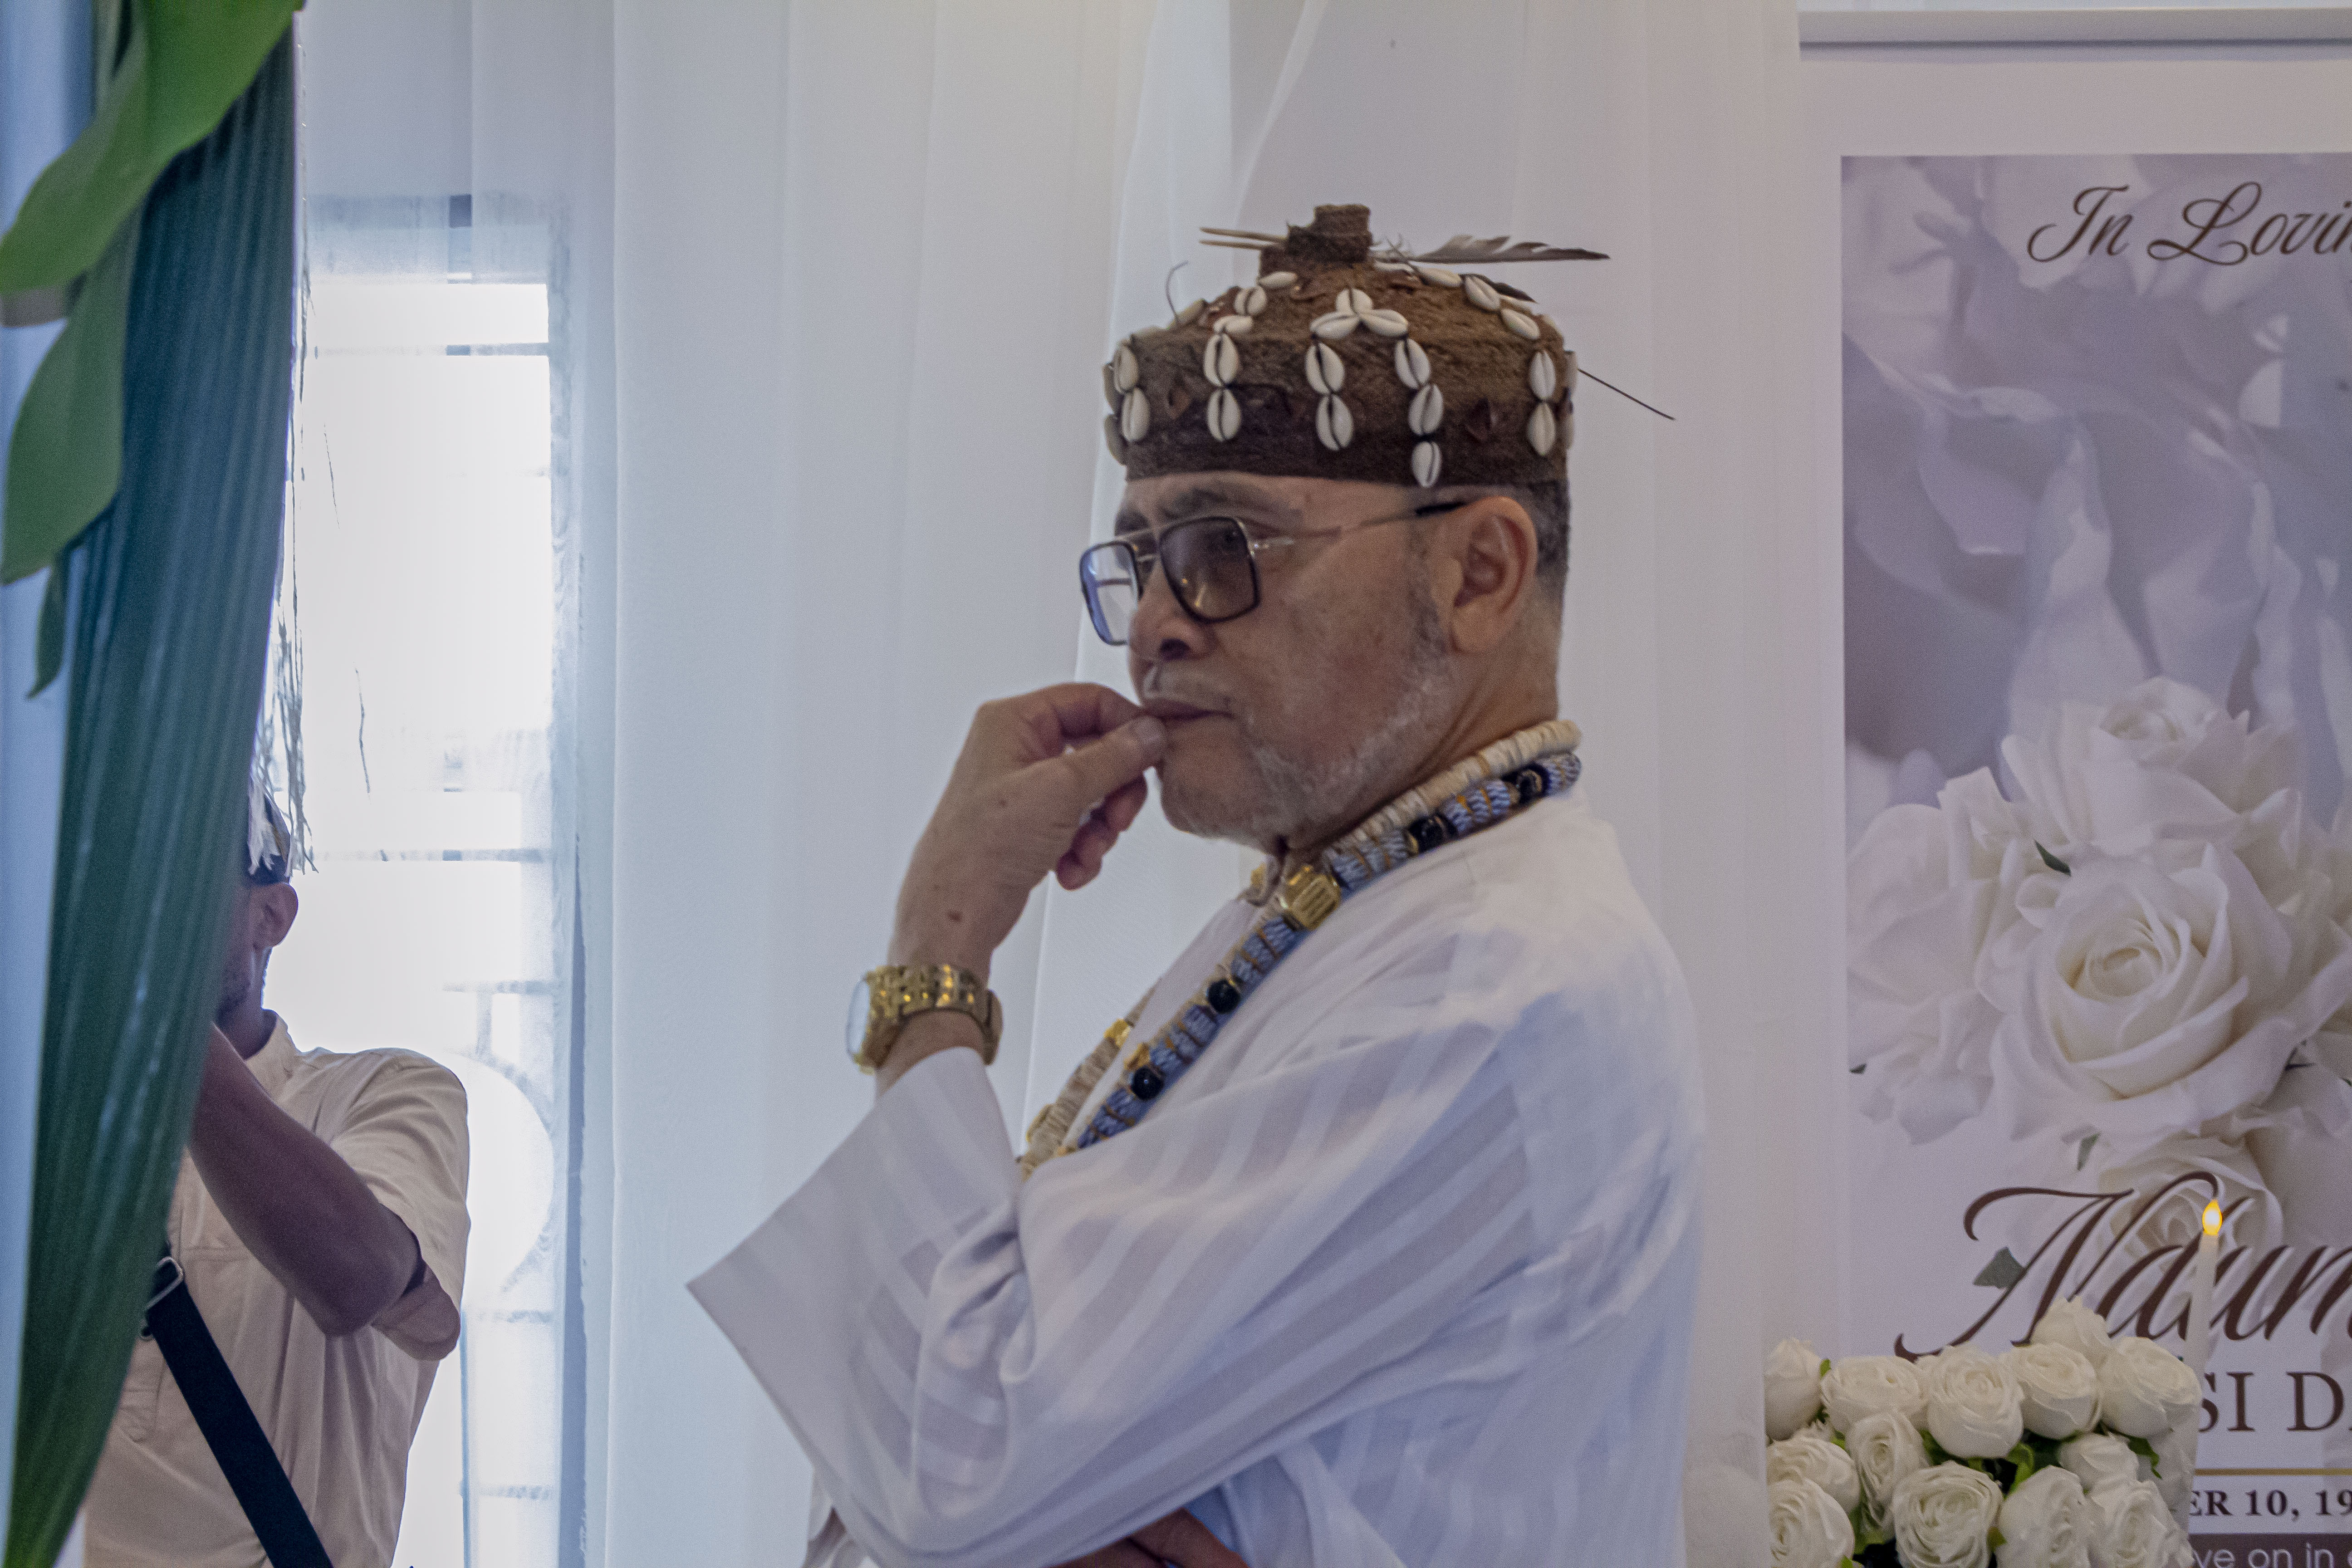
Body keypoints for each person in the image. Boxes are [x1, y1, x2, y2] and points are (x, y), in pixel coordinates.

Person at [692, 203, 1703, 1567]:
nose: (1161, 623)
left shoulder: (1494, 978)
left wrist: (939, 952)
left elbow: (954, 1454)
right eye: (1145, 560)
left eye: (1229, 548)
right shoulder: (1359, 903)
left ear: (1479, 574)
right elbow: (968, 1460)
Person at [82, 792, 470, 1568]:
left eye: (176, 876)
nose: (139, 908)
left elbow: (358, 1279)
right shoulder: (47, 1128)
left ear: (272, 915)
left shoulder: (382, 1092)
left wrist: (150, 1012)